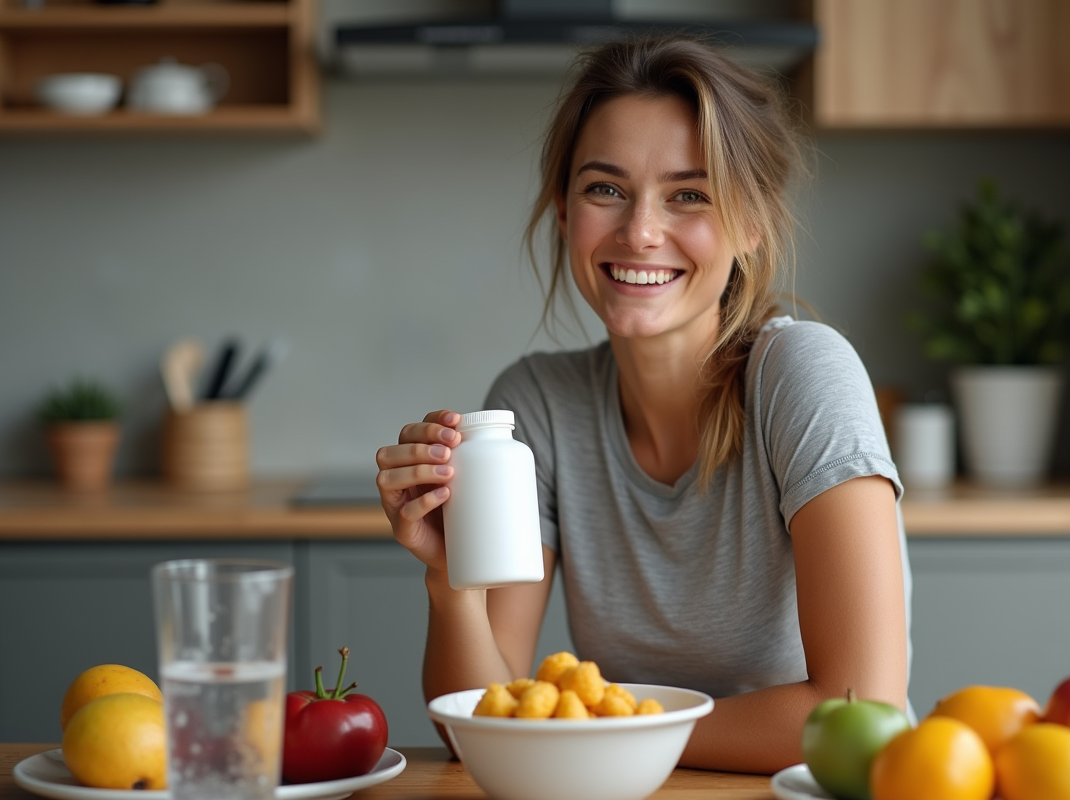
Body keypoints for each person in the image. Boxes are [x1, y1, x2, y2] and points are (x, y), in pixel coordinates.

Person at [375, 34, 912, 775]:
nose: (640, 231)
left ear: (751, 224)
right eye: (605, 189)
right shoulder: (537, 406)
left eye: (689, 194)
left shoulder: (803, 374)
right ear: (564, 211)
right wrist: (450, 582)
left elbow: (860, 713)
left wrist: (605, 732)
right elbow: (489, 721)